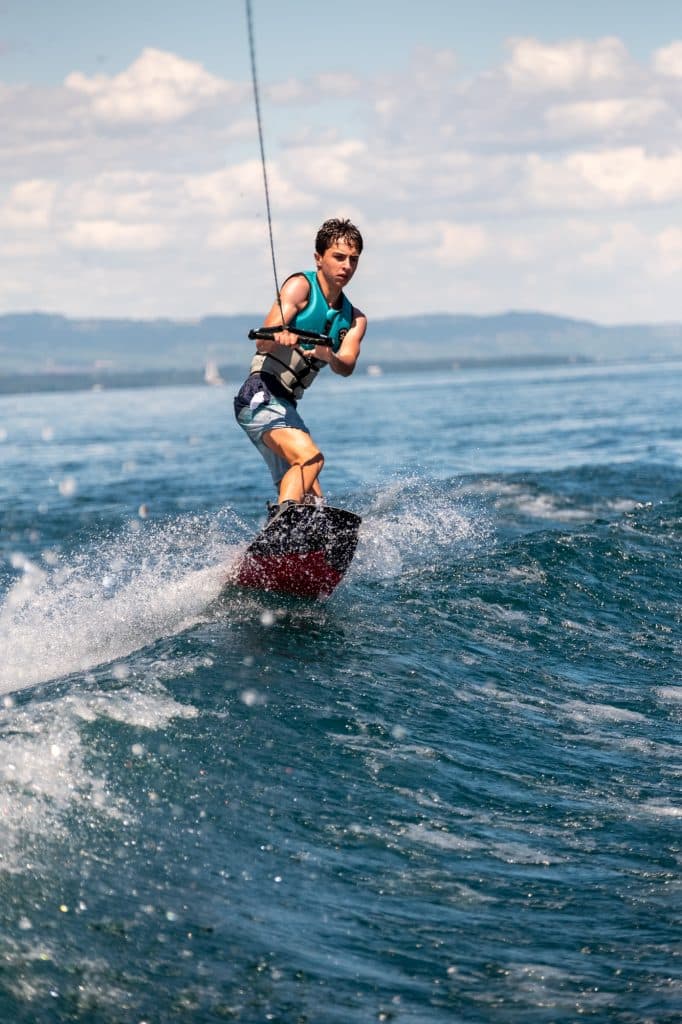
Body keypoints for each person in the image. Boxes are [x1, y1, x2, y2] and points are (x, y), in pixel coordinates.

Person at [234, 218, 367, 513]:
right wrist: (281, 336)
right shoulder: (299, 287)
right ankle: (285, 521)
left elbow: (346, 366)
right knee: (310, 458)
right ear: (319, 258)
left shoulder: (355, 319)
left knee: (316, 504)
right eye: (339, 257)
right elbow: (262, 341)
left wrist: (327, 354)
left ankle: (287, 546)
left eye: (353, 260)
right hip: (260, 394)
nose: (346, 266)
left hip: (286, 404)